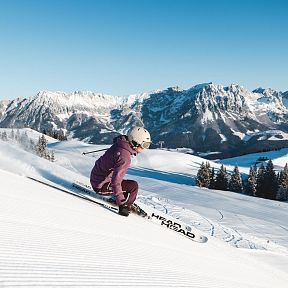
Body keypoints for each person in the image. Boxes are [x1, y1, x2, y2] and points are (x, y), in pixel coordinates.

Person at [90, 126, 151, 216]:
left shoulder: (120, 144)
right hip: (100, 185)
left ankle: (121, 198)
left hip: (97, 178)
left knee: (126, 184)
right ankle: (127, 205)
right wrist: (122, 205)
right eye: (145, 145)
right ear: (134, 143)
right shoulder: (124, 157)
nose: (145, 149)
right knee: (133, 187)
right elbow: (116, 182)